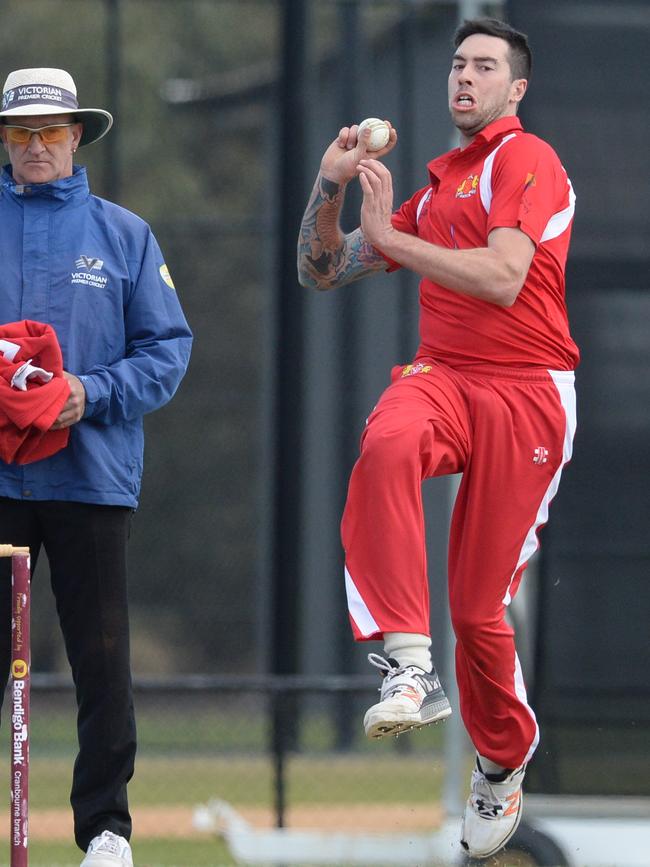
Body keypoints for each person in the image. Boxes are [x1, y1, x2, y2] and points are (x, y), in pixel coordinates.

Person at [297, 18, 578, 860]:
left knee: (479, 607)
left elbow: (503, 276)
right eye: (458, 64)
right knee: (387, 440)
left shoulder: (525, 158)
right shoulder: (432, 187)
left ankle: (501, 756)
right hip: (445, 377)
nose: (465, 76)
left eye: (485, 66)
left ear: (515, 89)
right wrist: (330, 186)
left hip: (528, 395)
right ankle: (408, 665)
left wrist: (392, 241)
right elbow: (321, 270)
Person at [0, 68, 193, 867]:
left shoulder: (125, 235)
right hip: (0, 485)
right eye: (20, 133)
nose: (36, 146)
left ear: (77, 136)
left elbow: (168, 351)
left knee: (103, 662)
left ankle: (106, 831)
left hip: (91, 476)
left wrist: (91, 390)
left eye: (50, 132)